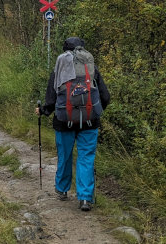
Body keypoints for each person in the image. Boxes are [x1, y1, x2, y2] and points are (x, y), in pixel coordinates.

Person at [36, 37, 110, 211]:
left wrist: (44, 111)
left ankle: (62, 190)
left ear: (64, 50)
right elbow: (105, 97)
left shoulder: (59, 69)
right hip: (90, 122)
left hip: (64, 122)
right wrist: (95, 112)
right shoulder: (91, 69)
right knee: (86, 158)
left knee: (65, 156)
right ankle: (85, 198)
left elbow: (51, 98)